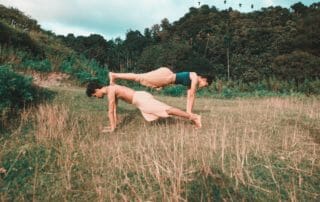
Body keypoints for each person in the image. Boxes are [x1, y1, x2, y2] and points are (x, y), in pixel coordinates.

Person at [86, 82, 202, 132]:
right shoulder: (111, 89)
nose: (97, 97)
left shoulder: (110, 90)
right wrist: (113, 126)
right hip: (140, 100)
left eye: (95, 95)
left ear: (96, 90)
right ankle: (193, 118)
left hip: (140, 99)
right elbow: (114, 110)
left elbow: (111, 111)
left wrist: (112, 128)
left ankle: (194, 117)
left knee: (168, 110)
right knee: (164, 111)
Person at [109, 67, 213, 114]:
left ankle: (115, 75)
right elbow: (192, 96)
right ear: (204, 79)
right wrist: (189, 113)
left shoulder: (191, 82)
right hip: (165, 76)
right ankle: (114, 75)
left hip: (164, 79)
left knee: (140, 78)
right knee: (138, 77)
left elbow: (190, 97)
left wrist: (189, 112)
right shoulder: (194, 77)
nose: (204, 86)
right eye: (206, 84)